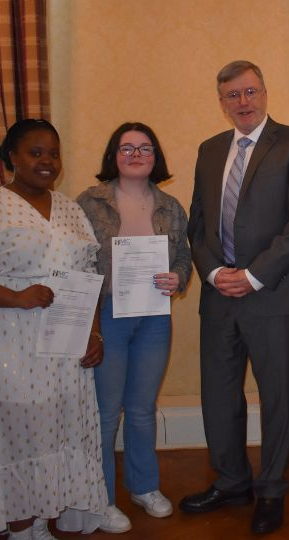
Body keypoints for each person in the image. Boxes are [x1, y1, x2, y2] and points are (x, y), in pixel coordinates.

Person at [181, 60, 289, 535]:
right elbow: (197, 224)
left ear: (264, 92)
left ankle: (271, 490)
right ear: (221, 102)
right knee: (220, 396)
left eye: (250, 92)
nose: (242, 102)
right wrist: (216, 272)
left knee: (277, 397)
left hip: (273, 294)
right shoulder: (209, 149)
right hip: (219, 295)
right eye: (232, 96)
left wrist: (255, 275)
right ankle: (231, 481)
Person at [0, 119, 107, 539]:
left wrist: (94, 333)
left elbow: (88, 276)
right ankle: (16, 524)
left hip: (65, 345)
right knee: (15, 433)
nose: (47, 160)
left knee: (57, 428)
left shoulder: (71, 208)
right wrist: (16, 297)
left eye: (53, 152)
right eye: (35, 152)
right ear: (11, 156)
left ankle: (42, 520)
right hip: (6, 342)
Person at [76, 122, 192, 533]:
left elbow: (184, 259)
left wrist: (179, 278)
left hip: (154, 318)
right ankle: (100, 498)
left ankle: (144, 486)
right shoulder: (89, 203)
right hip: (107, 317)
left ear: (155, 156)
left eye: (145, 148)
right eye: (127, 148)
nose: (136, 154)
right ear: (114, 155)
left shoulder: (172, 206)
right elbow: (76, 261)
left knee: (142, 410)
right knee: (106, 414)